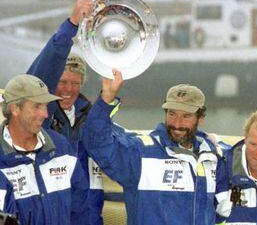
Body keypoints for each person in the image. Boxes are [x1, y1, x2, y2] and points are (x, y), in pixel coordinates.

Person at [81, 72, 228, 224]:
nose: (177, 124)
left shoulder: (212, 157)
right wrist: (106, 100)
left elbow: (222, 212)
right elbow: (97, 143)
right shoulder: (141, 153)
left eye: (186, 116)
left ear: (201, 118)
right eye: (172, 114)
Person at [25, 0, 104, 225]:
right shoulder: (42, 118)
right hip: (51, 213)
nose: (69, 89)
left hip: (87, 217)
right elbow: (43, 71)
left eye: (75, 83)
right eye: (63, 81)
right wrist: (71, 25)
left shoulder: (93, 118)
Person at [0, 74, 89, 225]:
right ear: (15, 109)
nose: (45, 114)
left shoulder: (61, 147)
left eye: (46, 106)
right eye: (37, 106)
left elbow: (81, 210)